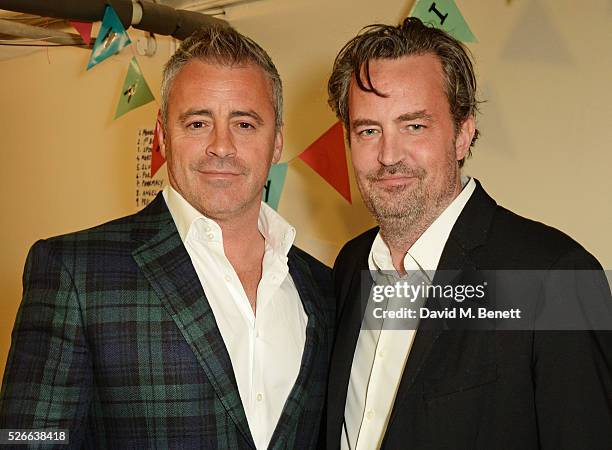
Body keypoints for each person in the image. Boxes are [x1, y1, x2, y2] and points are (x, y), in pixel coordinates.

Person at [0, 26, 334, 449]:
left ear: (276, 142)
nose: (221, 146)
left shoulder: (324, 287)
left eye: (245, 124)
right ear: (162, 136)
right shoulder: (74, 272)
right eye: (198, 123)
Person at [325, 17, 612, 450]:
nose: (388, 155)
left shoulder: (556, 277)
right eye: (368, 130)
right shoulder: (350, 266)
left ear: (463, 133)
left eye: (414, 126)